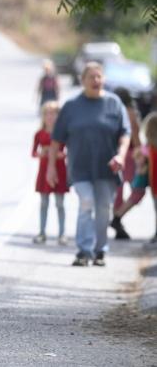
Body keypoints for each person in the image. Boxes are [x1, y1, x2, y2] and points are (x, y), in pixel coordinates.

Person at [48, 62, 129, 267]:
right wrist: (50, 167)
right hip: (80, 167)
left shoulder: (114, 103)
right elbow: (57, 139)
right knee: (86, 202)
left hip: (106, 168)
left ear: (104, 79)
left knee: (103, 208)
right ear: (82, 80)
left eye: (99, 76)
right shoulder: (72, 106)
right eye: (91, 77)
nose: (96, 81)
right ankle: (84, 250)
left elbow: (125, 134)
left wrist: (121, 155)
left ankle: (100, 249)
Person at [113, 111, 157, 243]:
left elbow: (137, 157)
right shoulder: (148, 148)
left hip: (154, 184)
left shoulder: (147, 149)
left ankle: (117, 217)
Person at [110, 87, 146, 240]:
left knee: (117, 190)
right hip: (130, 155)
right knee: (138, 189)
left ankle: (117, 221)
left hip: (114, 154)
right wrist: (141, 156)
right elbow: (136, 137)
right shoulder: (130, 113)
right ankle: (117, 218)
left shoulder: (110, 111)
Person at [32, 101, 69, 245]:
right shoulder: (39, 134)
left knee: (60, 203)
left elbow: (67, 151)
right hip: (44, 170)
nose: (50, 117)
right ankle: (42, 232)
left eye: (53, 114)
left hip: (59, 170)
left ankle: (62, 233)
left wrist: (61, 154)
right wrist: (42, 153)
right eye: (47, 114)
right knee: (44, 203)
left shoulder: (62, 133)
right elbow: (34, 152)